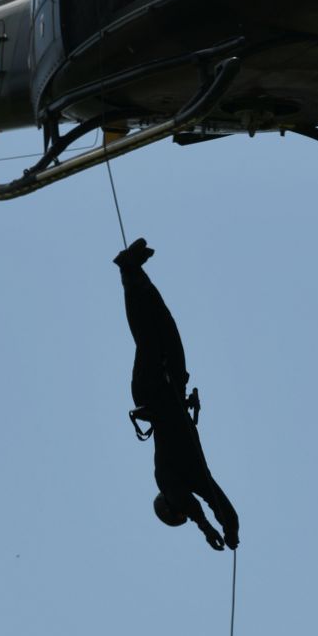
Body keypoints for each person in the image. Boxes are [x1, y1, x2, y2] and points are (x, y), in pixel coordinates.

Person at [114, 237, 239, 553]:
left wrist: (207, 527)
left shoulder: (167, 479)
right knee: (164, 328)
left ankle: (129, 270)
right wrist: (230, 530)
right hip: (171, 388)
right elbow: (224, 508)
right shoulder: (199, 478)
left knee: (150, 335)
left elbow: (185, 500)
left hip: (153, 394)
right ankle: (133, 270)